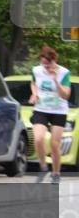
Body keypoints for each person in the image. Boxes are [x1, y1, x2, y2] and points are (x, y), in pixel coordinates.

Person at [29, 46, 72, 184]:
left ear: (54, 60)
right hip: (41, 109)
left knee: (54, 145)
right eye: (43, 64)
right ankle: (43, 166)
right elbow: (33, 82)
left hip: (59, 111)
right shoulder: (37, 70)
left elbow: (66, 95)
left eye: (48, 65)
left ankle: (56, 173)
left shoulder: (64, 72)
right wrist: (35, 94)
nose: (45, 67)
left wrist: (55, 80)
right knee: (38, 139)